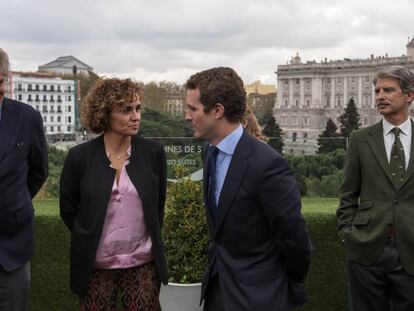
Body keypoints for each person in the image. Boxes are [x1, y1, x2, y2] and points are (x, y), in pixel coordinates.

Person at [185, 67, 312, 311]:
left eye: (193, 109)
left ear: (217, 110)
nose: (187, 116)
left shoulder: (267, 164)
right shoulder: (208, 151)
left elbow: (296, 242)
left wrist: (274, 285)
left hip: (259, 298)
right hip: (218, 292)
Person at [59, 78, 168, 310]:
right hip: (95, 265)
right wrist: (89, 234)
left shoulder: (153, 152)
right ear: (105, 114)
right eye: (126, 110)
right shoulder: (79, 157)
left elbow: (157, 206)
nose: (136, 116)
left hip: (142, 263)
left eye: (138, 108)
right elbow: (68, 209)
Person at [337, 66, 414, 311]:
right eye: (377, 90)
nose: (380, 96)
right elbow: (347, 194)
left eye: (389, 90)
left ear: (409, 95)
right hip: (367, 250)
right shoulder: (360, 139)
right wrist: (348, 234)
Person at [0, 48, 48, 310]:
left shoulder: (27, 117)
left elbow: (39, 171)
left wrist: (14, 200)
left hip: (12, 247)